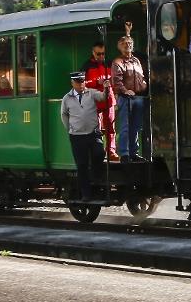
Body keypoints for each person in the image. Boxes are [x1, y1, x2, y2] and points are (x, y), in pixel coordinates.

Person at [60, 71, 106, 203]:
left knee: (99, 153)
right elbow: (63, 114)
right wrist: (69, 128)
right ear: (72, 83)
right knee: (82, 164)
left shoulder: (91, 93)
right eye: (78, 82)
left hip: (92, 133)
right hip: (77, 136)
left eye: (82, 81)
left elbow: (103, 97)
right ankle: (86, 194)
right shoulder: (67, 98)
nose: (81, 84)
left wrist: (106, 87)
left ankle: (96, 178)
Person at [111, 34, 148, 162]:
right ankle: (124, 154)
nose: (128, 46)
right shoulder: (117, 62)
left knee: (136, 127)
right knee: (125, 127)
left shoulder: (136, 61)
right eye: (125, 44)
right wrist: (126, 91)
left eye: (130, 43)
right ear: (120, 47)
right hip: (125, 98)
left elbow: (141, 76)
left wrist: (143, 86)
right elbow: (116, 81)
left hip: (138, 97)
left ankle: (134, 152)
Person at [82, 41, 119, 162]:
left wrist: (113, 89)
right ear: (93, 53)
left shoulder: (109, 63)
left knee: (110, 128)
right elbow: (80, 84)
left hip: (109, 100)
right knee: (95, 129)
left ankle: (111, 152)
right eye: (98, 54)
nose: (101, 56)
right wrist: (95, 82)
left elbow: (116, 80)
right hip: (94, 102)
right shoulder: (87, 66)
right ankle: (97, 153)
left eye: (103, 54)